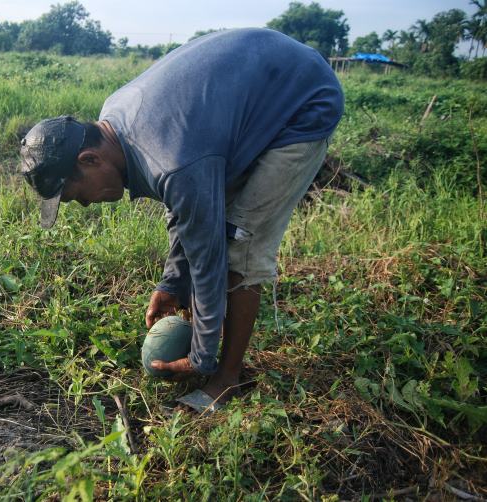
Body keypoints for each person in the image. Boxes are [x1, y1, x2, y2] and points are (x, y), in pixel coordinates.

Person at [19, 28, 344, 411]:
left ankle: (225, 380)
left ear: (90, 159)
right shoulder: (115, 122)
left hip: (301, 103)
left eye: (77, 195)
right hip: (254, 97)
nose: (87, 205)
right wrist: (172, 282)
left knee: (240, 245)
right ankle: (212, 347)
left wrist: (201, 357)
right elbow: (186, 209)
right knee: (215, 221)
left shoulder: (171, 159)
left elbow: (208, 254)